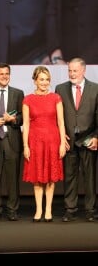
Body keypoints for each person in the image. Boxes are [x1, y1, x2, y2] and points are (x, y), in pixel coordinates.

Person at [55, 57, 98, 222]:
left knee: (90, 177)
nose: (72, 74)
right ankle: (70, 209)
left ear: (83, 70)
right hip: (69, 141)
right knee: (70, 176)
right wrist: (60, 135)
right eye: (70, 71)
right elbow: (56, 117)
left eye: (75, 70)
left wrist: (96, 137)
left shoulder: (95, 89)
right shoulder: (60, 89)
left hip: (89, 140)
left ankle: (90, 210)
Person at [22, 66, 66, 222]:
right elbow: (26, 124)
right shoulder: (28, 99)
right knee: (37, 179)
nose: (45, 82)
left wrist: (62, 144)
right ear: (35, 81)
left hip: (53, 141)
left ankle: (48, 210)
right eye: (41, 79)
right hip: (35, 142)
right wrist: (25, 146)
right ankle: (38, 210)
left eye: (47, 79)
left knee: (50, 179)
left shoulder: (56, 98)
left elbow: (61, 122)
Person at [0, 63, 24, 221]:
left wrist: (14, 119)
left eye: (7, 73)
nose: (4, 76)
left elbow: (24, 117)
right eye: (1, 74)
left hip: (12, 140)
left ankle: (12, 209)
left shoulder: (18, 93)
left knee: (12, 178)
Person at [47, 0, 98, 65]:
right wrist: (55, 53)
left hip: (92, 64)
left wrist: (84, 61)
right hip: (62, 62)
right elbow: (52, 11)